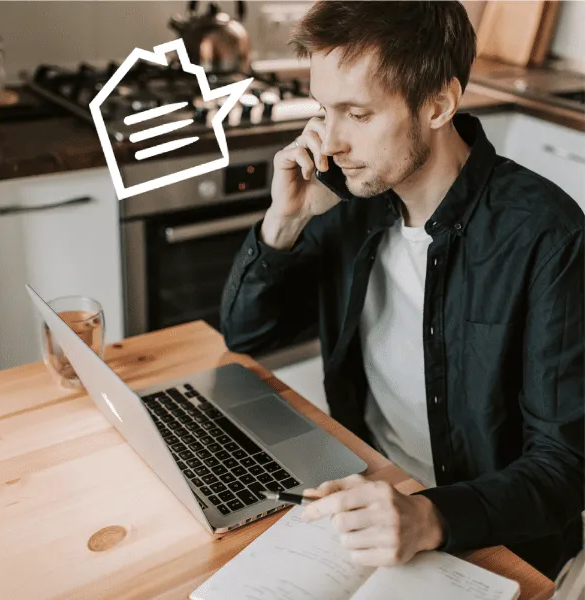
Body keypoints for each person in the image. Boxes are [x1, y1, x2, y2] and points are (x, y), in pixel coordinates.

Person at [220, 0, 584, 582]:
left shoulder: (547, 235)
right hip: (364, 501)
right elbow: (246, 336)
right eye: (323, 110)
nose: (329, 142)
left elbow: (565, 468)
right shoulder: (346, 201)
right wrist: (283, 222)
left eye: (357, 114)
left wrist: (426, 516)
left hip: (496, 543)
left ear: (439, 103)